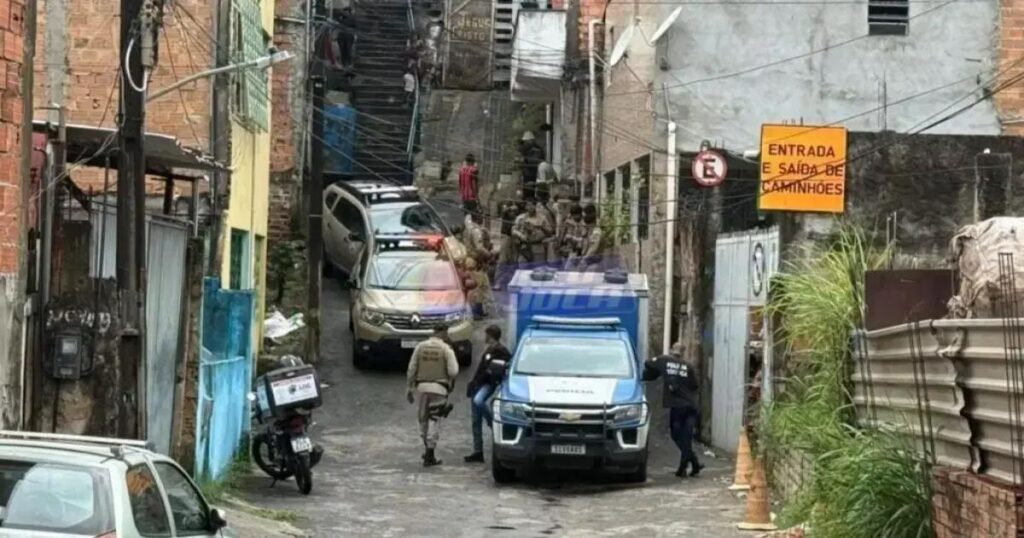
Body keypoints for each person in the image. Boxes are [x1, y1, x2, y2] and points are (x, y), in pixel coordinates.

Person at [643, 342, 703, 478]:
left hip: (677, 406)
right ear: (683, 352)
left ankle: (687, 465)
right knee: (686, 438)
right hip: (691, 406)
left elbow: (647, 363)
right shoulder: (688, 366)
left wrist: (658, 372)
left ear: (671, 350)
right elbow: (694, 386)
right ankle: (693, 464)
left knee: (676, 435)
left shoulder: (664, 360)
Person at [407, 325, 460, 467]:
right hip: (439, 389)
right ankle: (430, 452)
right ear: (443, 333)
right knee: (434, 420)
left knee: (423, 419)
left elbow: (411, 369)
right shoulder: (446, 349)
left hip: (422, 388)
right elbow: (454, 371)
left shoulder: (420, 347)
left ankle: (427, 449)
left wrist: (409, 388)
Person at [464, 325, 512, 463]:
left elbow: (506, 365)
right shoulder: (489, 349)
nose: (484, 337)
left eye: (486, 334)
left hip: (487, 384)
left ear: (490, 335)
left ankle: (491, 421)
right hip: (477, 384)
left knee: (478, 401)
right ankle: (477, 451)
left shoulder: (501, 350)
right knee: (475, 421)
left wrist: (495, 378)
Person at [512, 200, 548, 264]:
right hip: (525, 247)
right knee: (522, 269)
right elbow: (513, 230)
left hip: (538, 247)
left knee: (538, 270)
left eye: (532, 205)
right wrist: (520, 235)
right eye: (528, 205)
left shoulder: (542, 218)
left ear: (535, 206)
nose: (531, 207)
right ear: (526, 207)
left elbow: (549, 231)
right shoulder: (520, 218)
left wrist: (538, 228)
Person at [519, 132, 545, 200]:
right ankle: (528, 199)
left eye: (527, 141)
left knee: (530, 187)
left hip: (531, 172)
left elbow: (537, 160)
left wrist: (524, 161)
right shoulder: (529, 148)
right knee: (529, 187)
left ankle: (529, 199)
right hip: (530, 171)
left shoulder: (534, 149)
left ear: (531, 140)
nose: (526, 142)